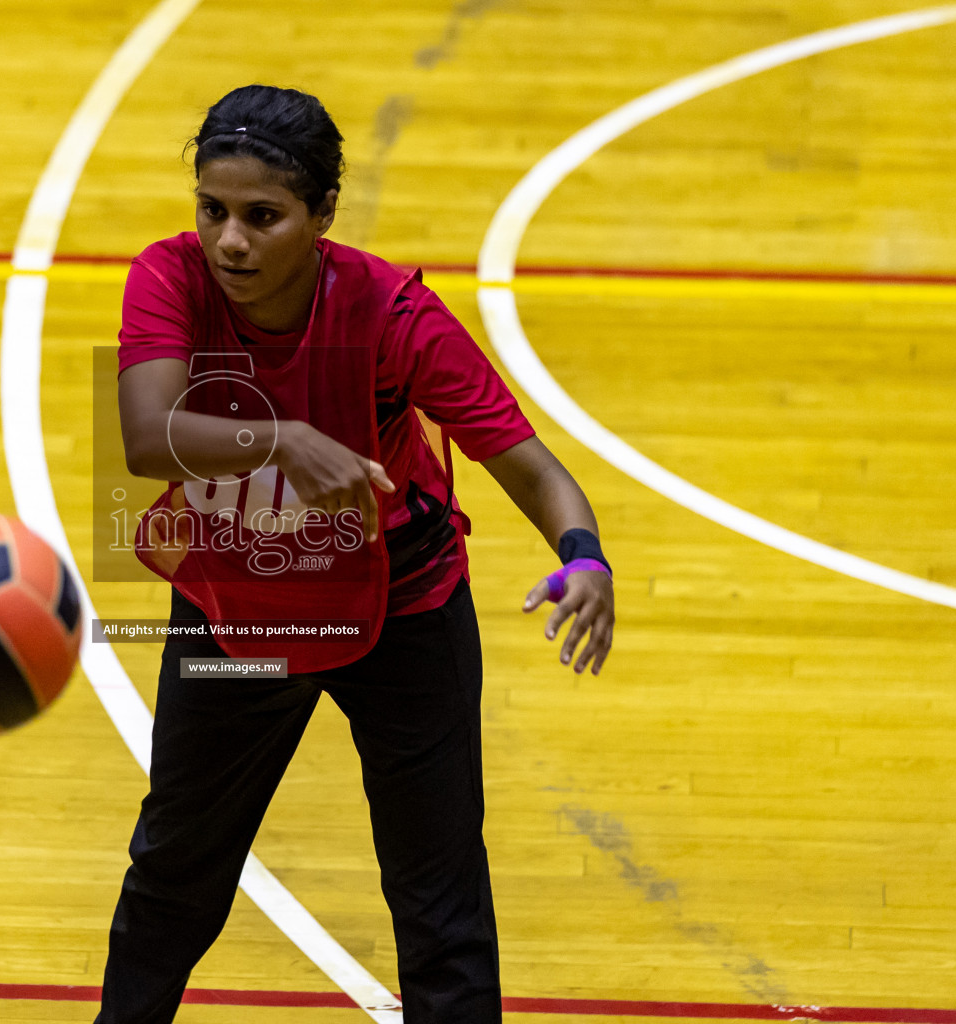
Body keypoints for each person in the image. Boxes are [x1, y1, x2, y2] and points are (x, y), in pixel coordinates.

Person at [99, 84, 615, 1024]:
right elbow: (146, 436)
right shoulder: (168, 278)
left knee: (440, 905)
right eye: (212, 211)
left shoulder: (393, 316)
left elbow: (533, 468)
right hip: (235, 617)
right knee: (174, 876)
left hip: (404, 616)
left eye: (263, 217)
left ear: (323, 216)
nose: (230, 242)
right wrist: (281, 440)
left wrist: (586, 560)